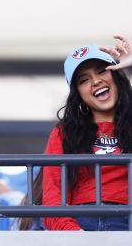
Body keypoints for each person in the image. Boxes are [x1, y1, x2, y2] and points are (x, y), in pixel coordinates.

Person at [42, 35, 132, 231]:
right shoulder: (64, 133)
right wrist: (75, 235)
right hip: (81, 225)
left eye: (102, 71)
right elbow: (52, 194)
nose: (96, 81)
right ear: (78, 94)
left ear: (117, 76)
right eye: (84, 80)